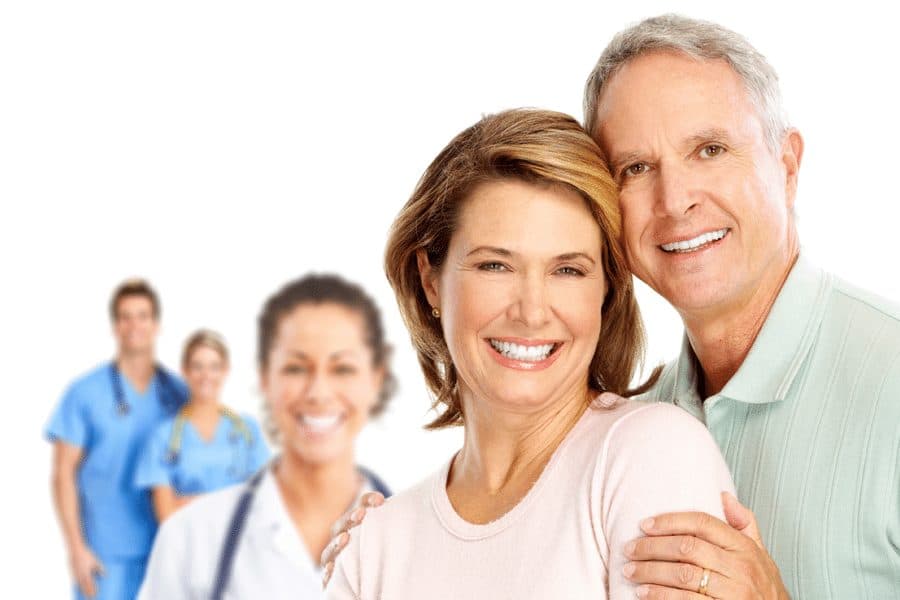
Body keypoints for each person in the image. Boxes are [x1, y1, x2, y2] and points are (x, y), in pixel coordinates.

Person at [325, 15, 900, 599]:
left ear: (788, 165)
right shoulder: (649, 414)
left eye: (709, 149)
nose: (676, 201)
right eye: (636, 167)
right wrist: (387, 547)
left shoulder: (888, 379)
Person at [326, 108, 736, 599]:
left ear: (606, 290)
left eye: (568, 270)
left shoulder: (649, 454)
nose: (532, 312)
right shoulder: (376, 544)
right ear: (430, 279)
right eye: (495, 265)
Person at [137, 274, 394, 599]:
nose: (318, 392)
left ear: (376, 379)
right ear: (264, 378)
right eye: (296, 368)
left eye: (342, 368)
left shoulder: (414, 538)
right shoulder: (191, 538)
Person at [46, 279, 188, 600]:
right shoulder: (84, 393)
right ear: (115, 326)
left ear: (157, 325)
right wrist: (76, 549)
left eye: (143, 316)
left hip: (164, 550)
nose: (134, 325)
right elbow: (62, 475)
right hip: (105, 556)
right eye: (125, 316)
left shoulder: (178, 394)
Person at [134, 329, 270, 522]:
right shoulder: (164, 437)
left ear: (226, 371)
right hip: (187, 547)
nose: (206, 375)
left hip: (239, 547)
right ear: (185, 371)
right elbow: (166, 516)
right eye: (197, 367)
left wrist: (189, 502)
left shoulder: (247, 430)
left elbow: (263, 503)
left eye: (214, 367)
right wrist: (234, 500)